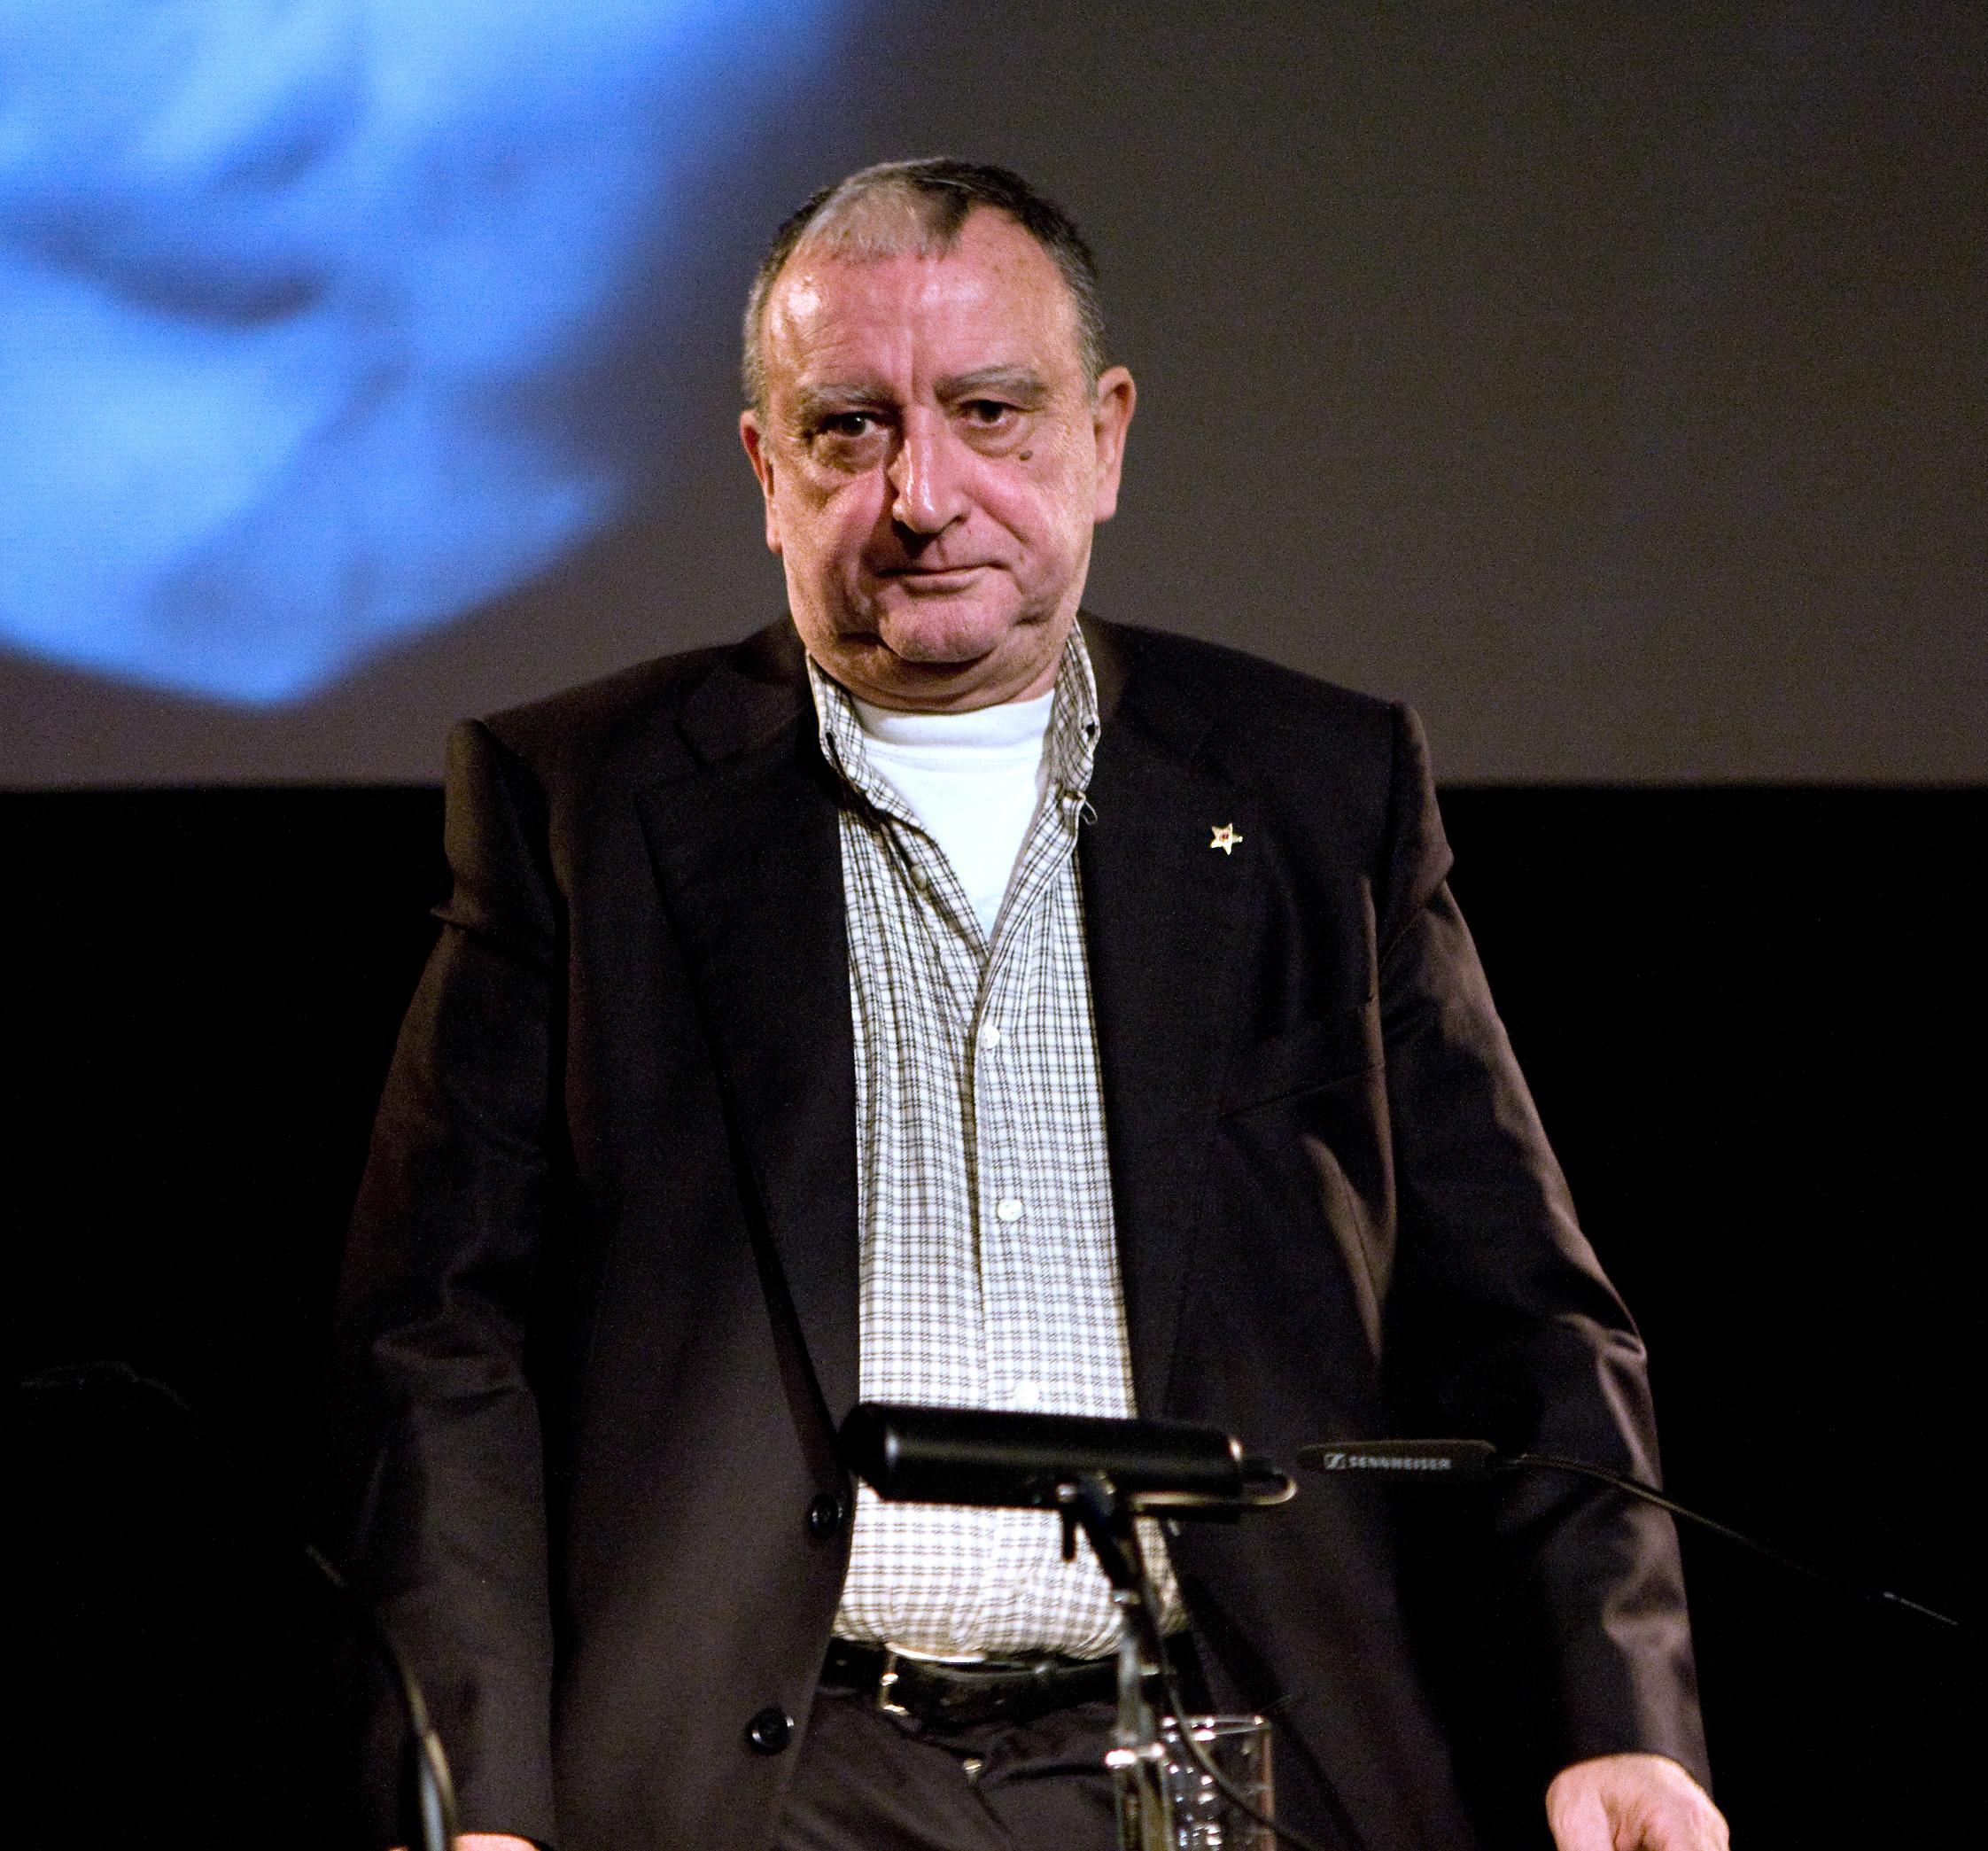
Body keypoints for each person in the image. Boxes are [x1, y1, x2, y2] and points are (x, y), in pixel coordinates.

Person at [327, 159, 1729, 1851]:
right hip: (767, 1783)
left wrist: (1617, 1718)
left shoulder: (1313, 792)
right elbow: (439, 1345)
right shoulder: (579, 807)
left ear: (1106, 435)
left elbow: (1525, 1314)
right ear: (765, 468)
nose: (926, 492)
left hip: (1233, 1763)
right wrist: (472, 1799)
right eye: (852, 426)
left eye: (992, 411)